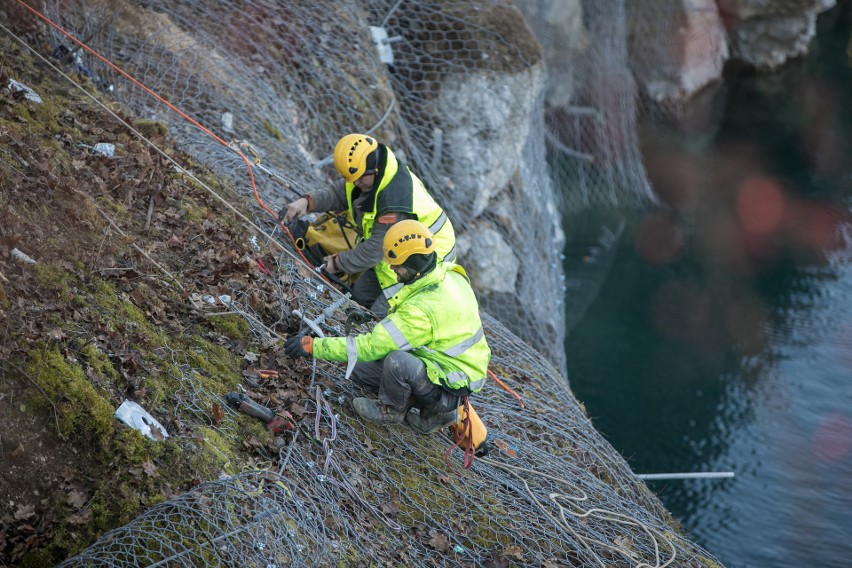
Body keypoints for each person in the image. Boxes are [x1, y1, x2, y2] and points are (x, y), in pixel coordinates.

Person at [284, 220, 490, 434]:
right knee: (358, 370)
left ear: (415, 264)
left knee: (397, 362)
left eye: (397, 264)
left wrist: (313, 347)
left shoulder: (422, 310)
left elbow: (371, 347)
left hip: (450, 385)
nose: (392, 269)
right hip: (444, 366)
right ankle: (437, 413)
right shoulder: (446, 272)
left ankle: (394, 410)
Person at [280, 134, 456, 316]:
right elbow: (338, 193)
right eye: (352, 178)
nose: (355, 183)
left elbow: (375, 250)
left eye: (360, 178)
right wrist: (307, 202)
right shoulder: (364, 175)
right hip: (395, 250)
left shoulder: (392, 203)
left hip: (424, 260)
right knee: (360, 297)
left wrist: (338, 262)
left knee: (379, 316)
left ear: (376, 168)